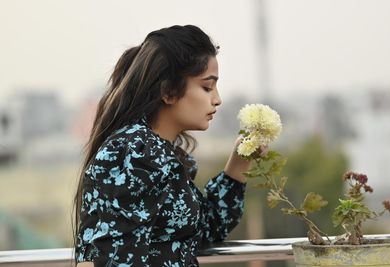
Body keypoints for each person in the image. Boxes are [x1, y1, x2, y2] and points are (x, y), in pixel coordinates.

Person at [74, 24, 262, 267]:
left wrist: (239, 163)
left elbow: (203, 230)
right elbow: (118, 259)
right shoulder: (134, 154)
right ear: (169, 91)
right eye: (207, 87)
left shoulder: (155, 154)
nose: (217, 99)